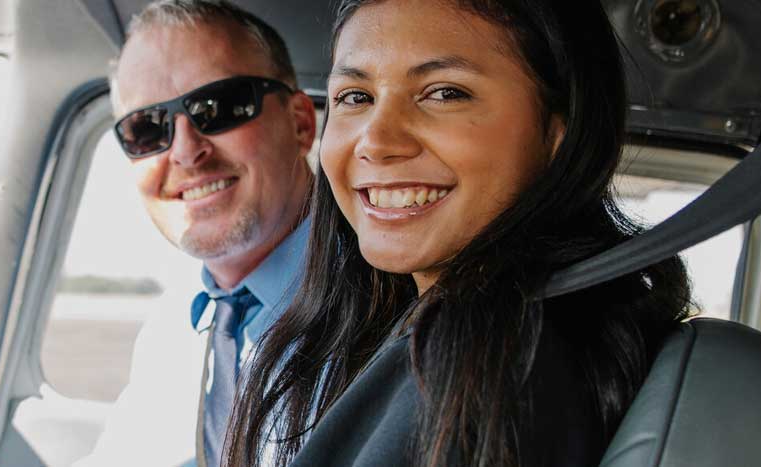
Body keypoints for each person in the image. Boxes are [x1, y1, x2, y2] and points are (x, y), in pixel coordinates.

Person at [223, 0, 693, 466]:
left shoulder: (493, 362)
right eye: (355, 97)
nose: (377, 142)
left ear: (559, 134)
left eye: (445, 93)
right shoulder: (524, 334)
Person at [75, 1, 318, 466]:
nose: (186, 151)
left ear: (300, 123)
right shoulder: (175, 322)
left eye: (220, 107)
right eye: (147, 128)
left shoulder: (395, 309)